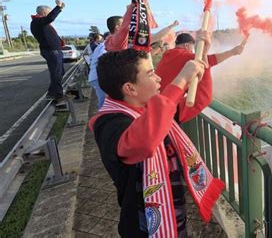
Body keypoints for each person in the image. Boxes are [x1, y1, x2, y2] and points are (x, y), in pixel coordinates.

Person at [89, 46, 224, 237]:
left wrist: (203, 60)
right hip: (142, 223)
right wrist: (181, 80)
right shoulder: (110, 124)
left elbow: (200, 99)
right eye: (151, 74)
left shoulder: (151, 110)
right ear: (130, 88)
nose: (158, 78)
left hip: (172, 207)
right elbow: (144, 141)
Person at [155, 32, 247, 97]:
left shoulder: (168, 54)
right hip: (166, 102)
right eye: (192, 46)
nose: (192, 50)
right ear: (187, 45)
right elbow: (209, 61)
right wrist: (232, 52)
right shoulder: (184, 55)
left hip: (155, 98)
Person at [30, 0, 66, 101]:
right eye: (49, 12)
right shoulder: (37, 21)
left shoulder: (41, 22)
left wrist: (60, 8)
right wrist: (58, 7)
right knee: (56, 73)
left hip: (54, 50)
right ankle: (58, 95)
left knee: (60, 72)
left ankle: (52, 92)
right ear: (44, 13)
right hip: (51, 50)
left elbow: (49, 19)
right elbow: (50, 18)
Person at [88, 16, 123, 109]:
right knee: (105, 104)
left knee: (106, 103)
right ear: (117, 27)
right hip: (100, 77)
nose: (127, 27)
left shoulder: (109, 43)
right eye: (124, 24)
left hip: (99, 77)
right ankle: (102, 122)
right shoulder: (108, 45)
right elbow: (103, 64)